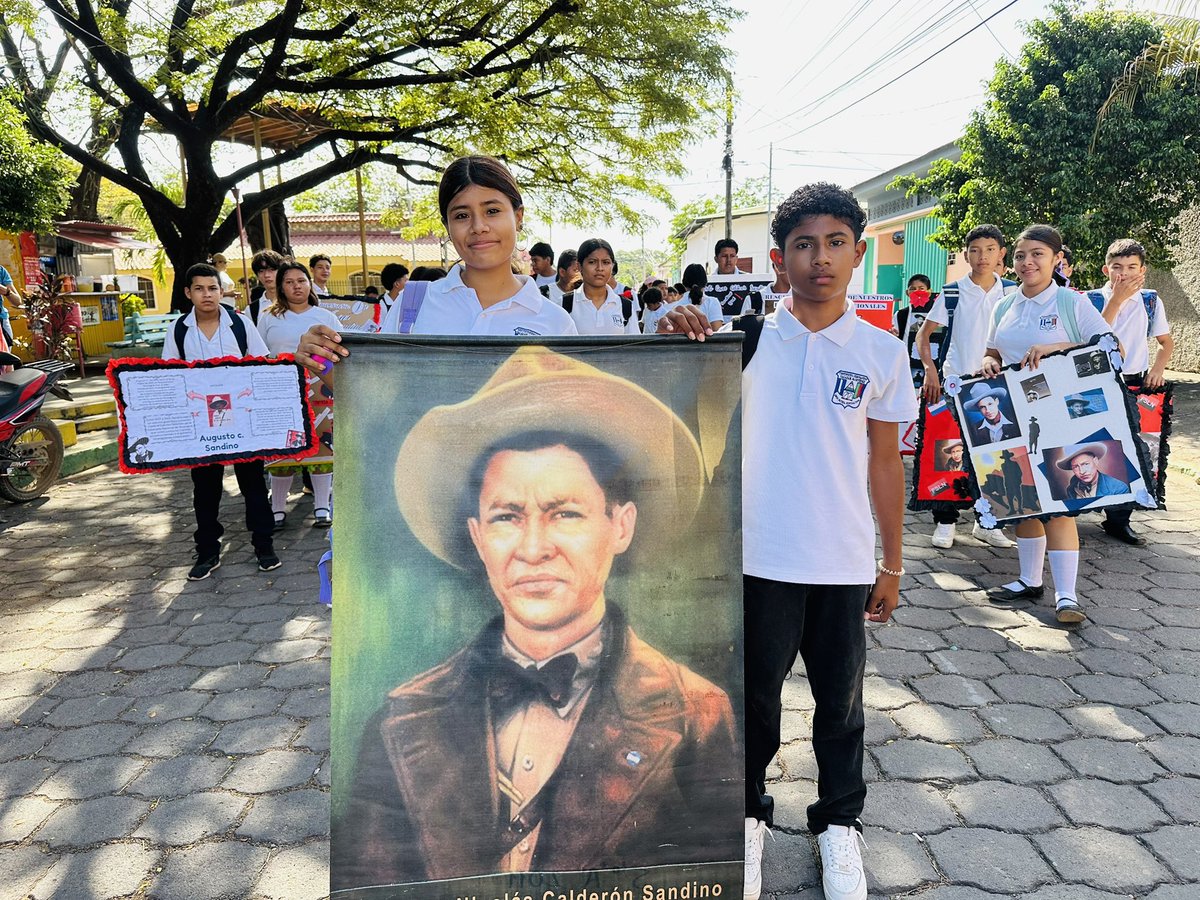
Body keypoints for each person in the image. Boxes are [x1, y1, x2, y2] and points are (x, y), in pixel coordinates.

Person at [333, 348, 741, 888]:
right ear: (478, 538)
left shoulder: (696, 715)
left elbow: (707, 874)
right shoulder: (401, 719)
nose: (532, 548)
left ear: (620, 526)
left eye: (564, 513)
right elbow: (371, 883)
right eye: (507, 516)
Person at [664, 184, 915, 900]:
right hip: (756, 560)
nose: (820, 259)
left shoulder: (880, 351)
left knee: (841, 708)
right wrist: (673, 326)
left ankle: (839, 828)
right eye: (803, 245)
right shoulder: (740, 342)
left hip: (839, 561)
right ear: (779, 260)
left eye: (836, 242)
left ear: (859, 254)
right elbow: (675, 409)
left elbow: (883, 464)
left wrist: (891, 562)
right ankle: (746, 819)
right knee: (753, 707)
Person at [294, 155, 577, 384]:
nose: (479, 226)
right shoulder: (413, 303)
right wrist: (319, 359)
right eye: (462, 215)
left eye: (492, 211)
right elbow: (379, 398)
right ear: (447, 227)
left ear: (518, 217)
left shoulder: (556, 323)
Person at [981, 224, 1115, 624]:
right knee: (1021, 500)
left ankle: (1068, 597)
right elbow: (993, 350)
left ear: (1057, 259)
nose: (1027, 263)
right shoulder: (1004, 304)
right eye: (1021, 255)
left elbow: (1109, 347)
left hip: (1063, 417)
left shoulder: (1072, 303)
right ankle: (1027, 580)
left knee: (1059, 506)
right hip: (1015, 414)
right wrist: (989, 360)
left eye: (1037, 254)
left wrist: (1058, 347)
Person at [161, 264, 278, 580]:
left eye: (212, 288)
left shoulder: (240, 324)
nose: (207, 294)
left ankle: (264, 546)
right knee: (205, 488)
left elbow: (261, 365)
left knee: (253, 484)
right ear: (188, 293)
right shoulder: (179, 330)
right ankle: (208, 551)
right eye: (199, 289)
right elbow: (171, 377)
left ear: (220, 290)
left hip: (242, 422)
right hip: (202, 425)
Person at [1088, 238, 1174, 545]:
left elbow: (1166, 342)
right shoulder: (1092, 300)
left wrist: (1157, 369)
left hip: (1134, 382)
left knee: (1130, 451)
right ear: (1106, 269)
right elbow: (1091, 339)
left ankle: (1119, 519)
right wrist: (1117, 300)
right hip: (1095, 383)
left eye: (1131, 268)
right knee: (1092, 447)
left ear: (1143, 270)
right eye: (1117, 268)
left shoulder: (1151, 301)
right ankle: (1078, 507)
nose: (1124, 275)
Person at [257, 261, 340, 529]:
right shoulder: (268, 317)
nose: (296, 286)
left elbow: (342, 350)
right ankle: (278, 509)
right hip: (280, 392)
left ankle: (321, 507)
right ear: (281, 286)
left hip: (320, 391)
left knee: (321, 449)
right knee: (282, 452)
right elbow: (259, 355)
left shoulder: (325, 316)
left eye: (301, 281)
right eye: (290, 282)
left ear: (310, 284)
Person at [560, 239, 640, 335]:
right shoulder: (563, 304)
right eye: (592, 262)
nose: (600, 268)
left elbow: (634, 348)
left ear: (612, 266)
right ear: (579, 266)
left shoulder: (625, 307)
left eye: (606, 262)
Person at [1059, 444, 1129, 500]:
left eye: (1086, 464)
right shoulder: (1071, 489)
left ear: (1095, 461)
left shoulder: (1118, 488)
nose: (1082, 471)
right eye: (1076, 467)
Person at [248, 249, 285, 326]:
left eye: (271, 270)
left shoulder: (295, 302)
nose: (266, 275)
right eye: (261, 271)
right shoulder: (252, 310)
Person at [680, 263, 724, 327]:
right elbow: (717, 331)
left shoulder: (675, 306)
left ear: (683, 284)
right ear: (705, 283)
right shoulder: (712, 302)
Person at [0, 264, 23, 349]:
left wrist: (6, 291)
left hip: (2, 321)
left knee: (6, 358)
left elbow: (17, 302)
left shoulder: (1, 271)